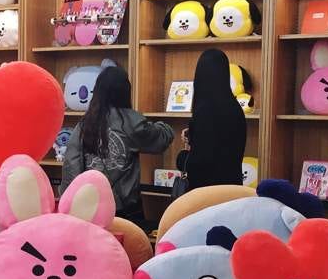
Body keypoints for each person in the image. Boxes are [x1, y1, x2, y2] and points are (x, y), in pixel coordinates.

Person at [62, 65, 174, 225]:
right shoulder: (132, 121)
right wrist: (164, 126)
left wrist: (70, 203)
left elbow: (71, 164)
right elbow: (160, 139)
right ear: (125, 91)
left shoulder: (85, 123)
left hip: (90, 207)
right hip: (126, 208)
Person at [183, 48, 246, 191]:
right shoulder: (235, 107)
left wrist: (182, 157)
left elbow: (200, 162)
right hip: (232, 189)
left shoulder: (204, 109)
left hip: (207, 193)